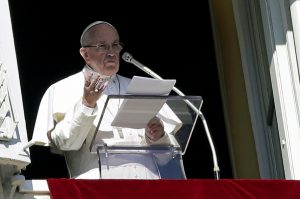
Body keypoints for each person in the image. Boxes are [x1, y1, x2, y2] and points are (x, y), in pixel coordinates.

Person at [32, 21, 182, 179]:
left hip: (149, 187)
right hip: (97, 188)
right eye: (102, 46)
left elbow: (168, 158)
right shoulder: (63, 89)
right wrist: (87, 105)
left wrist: (158, 137)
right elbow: (65, 143)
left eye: (115, 45)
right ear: (85, 54)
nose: (111, 52)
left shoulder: (141, 88)